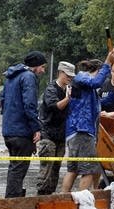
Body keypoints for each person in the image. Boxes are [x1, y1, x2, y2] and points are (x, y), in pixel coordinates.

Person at [61, 49, 114, 193]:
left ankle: (64, 198)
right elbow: (97, 82)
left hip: (79, 131)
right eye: (102, 74)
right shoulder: (81, 77)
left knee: (73, 169)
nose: (103, 79)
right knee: (89, 170)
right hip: (82, 130)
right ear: (97, 70)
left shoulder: (87, 88)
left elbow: (99, 103)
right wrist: (108, 62)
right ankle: (82, 204)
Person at [1, 50, 47, 198]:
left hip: (9, 130)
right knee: (19, 169)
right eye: (42, 66)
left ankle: (12, 199)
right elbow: (30, 105)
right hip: (21, 132)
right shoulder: (29, 77)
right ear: (35, 66)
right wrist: (36, 128)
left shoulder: (11, 77)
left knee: (14, 167)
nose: (43, 70)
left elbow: (2, 101)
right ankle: (13, 203)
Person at [36, 61, 75, 195]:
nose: (70, 78)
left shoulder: (67, 89)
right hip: (48, 135)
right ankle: (41, 197)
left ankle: (50, 197)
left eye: (71, 76)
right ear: (60, 73)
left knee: (56, 170)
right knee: (47, 169)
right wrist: (69, 98)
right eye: (68, 75)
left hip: (61, 135)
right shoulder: (51, 89)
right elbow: (56, 106)